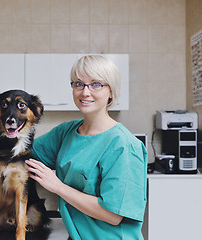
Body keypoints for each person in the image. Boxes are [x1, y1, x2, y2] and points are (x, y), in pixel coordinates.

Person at [26, 55, 147, 240]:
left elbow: (113, 215)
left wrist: (58, 187)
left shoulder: (124, 146)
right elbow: (22, 155)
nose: (85, 92)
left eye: (96, 84)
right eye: (78, 84)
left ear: (111, 92)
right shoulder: (66, 132)